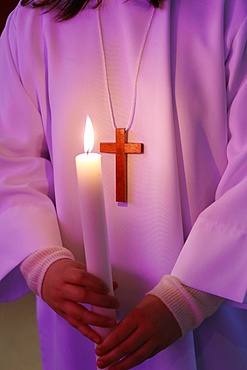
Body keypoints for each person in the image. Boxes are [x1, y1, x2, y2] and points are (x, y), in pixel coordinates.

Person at [0, 0, 246, 369]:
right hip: (80, 312)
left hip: (211, 306)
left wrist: (189, 296)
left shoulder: (227, 10)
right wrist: (43, 263)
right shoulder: (32, 20)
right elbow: (10, 159)